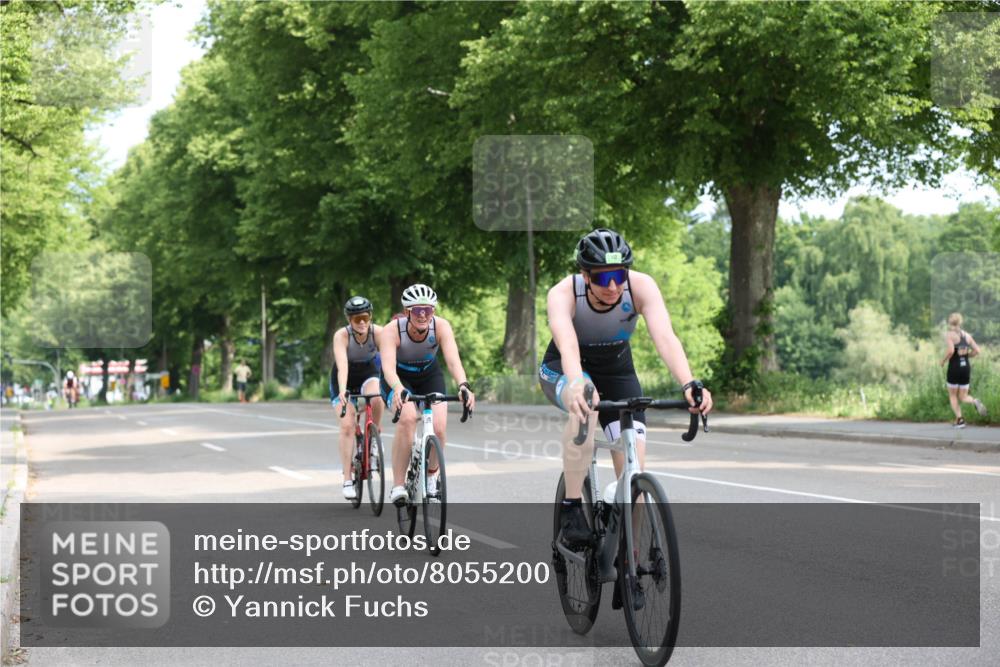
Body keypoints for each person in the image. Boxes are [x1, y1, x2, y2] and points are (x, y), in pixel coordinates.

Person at [539, 228, 713, 547]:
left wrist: (689, 383)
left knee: (633, 476)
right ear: (585, 276)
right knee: (586, 403)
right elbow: (568, 347)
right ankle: (573, 506)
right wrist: (577, 383)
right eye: (604, 278)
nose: (614, 286)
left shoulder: (641, 287)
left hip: (617, 371)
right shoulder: (563, 294)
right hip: (563, 368)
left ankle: (629, 569)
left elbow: (665, 336)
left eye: (620, 275)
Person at [379, 283, 475, 507]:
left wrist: (463, 385)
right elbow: (388, 369)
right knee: (408, 418)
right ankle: (399, 485)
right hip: (399, 379)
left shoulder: (441, 326)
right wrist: (398, 388)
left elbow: (453, 361)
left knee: (439, 427)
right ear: (406, 312)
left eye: (428, 310)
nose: (423, 315)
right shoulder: (391, 330)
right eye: (417, 310)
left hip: (429, 375)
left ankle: (432, 477)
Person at [331, 296, 385, 500]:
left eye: (365, 317)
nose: (362, 322)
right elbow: (342, 366)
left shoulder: (378, 332)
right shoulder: (341, 336)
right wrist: (344, 390)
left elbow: (389, 361)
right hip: (344, 377)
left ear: (370, 316)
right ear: (349, 320)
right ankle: (347, 477)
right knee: (347, 425)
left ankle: (374, 436)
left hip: (368, 373)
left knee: (377, 396)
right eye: (356, 319)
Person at [940, 312, 987, 428]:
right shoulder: (967, 336)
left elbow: (951, 351)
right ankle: (975, 401)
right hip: (966, 368)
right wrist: (967, 356)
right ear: (960, 322)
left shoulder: (950, 335)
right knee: (963, 396)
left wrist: (943, 361)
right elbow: (977, 351)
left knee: (953, 395)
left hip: (954, 368)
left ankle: (960, 420)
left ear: (950, 322)